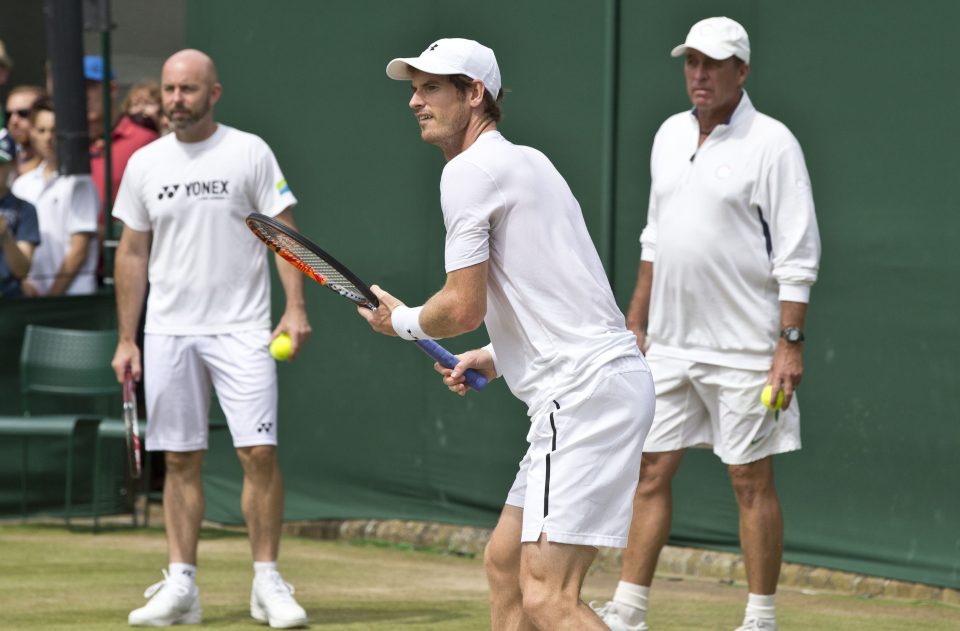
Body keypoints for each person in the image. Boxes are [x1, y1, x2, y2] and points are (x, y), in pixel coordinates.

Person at [360, 38, 655, 630]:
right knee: (504, 565)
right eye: (414, 88)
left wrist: (401, 322)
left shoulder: (467, 173)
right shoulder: (529, 162)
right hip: (602, 380)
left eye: (433, 87)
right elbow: (565, 294)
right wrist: (496, 357)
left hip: (580, 395)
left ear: (475, 94)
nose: (416, 101)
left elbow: (461, 307)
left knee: (550, 597)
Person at [590, 17, 821, 631]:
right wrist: (635, 323)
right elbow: (654, 239)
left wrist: (788, 345)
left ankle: (760, 618)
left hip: (747, 350)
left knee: (750, 480)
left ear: (741, 72)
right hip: (668, 344)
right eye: (691, 63)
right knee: (649, 472)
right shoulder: (668, 135)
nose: (699, 75)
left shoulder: (774, 144)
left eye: (713, 64)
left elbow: (796, 255)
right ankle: (630, 609)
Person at [110, 48, 311, 629]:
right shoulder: (145, 163)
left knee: (258, 455)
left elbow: (284, 236)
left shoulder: (249, 151)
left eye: (189, 90)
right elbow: (132, 253)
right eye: (170, 89)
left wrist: (294, 309)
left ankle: (267, 582)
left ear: (213, 93)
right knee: (179, 460)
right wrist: (128, 339)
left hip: (245, 329)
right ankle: (182, 587)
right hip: (169, 331)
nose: (177, 100)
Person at [11, 97, 99, 296]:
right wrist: (25, 284)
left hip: (74, 301)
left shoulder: (80, 183)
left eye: (54, 130)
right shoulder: (21, 185)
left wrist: (51, 298)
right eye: (41, 130)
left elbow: (79, 252)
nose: (48, 138)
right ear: (31, 132)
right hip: (33, 299)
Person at [86, 56, 160, 244]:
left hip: (121, 257)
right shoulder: (59, 141)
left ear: (111, 89)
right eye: (77, 87)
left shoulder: (143, 139)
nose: (83, 94)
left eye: (90, 86)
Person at [0, 128, 39, 297]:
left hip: (10, 301)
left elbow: (22, 270)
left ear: (11, 164)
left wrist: (5, 236)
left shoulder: (25, 209)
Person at [5, 85, 46, 177]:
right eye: (8, 115)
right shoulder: (5, 159)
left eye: (23, 113)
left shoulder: (56, 164)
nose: (13, 121)